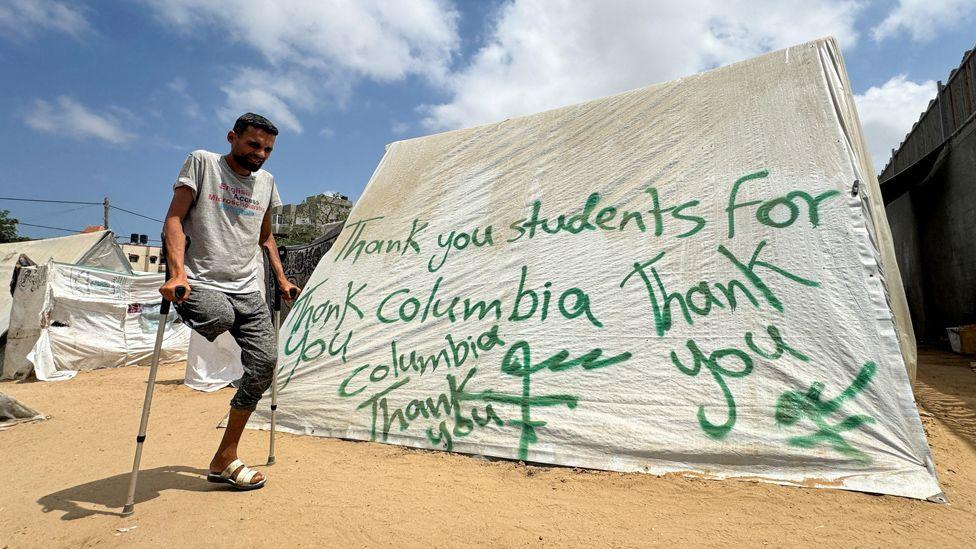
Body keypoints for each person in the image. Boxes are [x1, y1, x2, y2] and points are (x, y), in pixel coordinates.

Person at [160, 113, 300, 490]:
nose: (261, 154)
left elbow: (266, 238)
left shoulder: (267, 183)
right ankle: (186, 306)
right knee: (218, 315)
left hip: (246, 289)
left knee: (265, 364)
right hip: (198, 282)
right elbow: (174, 219)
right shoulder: (202, 162)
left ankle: (225, 456)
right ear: (232, 138)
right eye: (254, 145)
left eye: (268, 149)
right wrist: (176, 274)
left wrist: (283, 280)